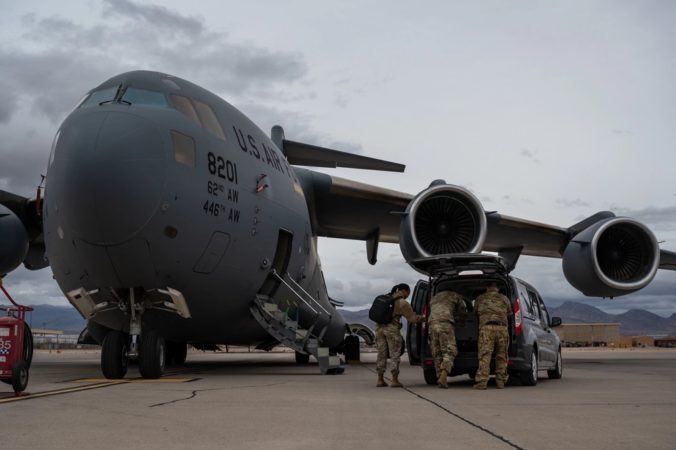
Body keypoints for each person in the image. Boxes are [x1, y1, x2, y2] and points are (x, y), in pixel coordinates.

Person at [375, 283, 423, 388]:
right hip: (392, 330)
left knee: (381, 354)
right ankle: (395, 380)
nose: (407, 296)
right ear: (405, 291)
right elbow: (413, 319)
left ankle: (380, 379)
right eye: (408, 293)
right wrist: (424, 317)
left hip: (379, 329)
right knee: (394, 354)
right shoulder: (402, 303)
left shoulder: (386, 298)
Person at [473, 283, 513, 390]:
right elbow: (510, 313)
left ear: (487, 288)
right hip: (502, 328)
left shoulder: (480, 298)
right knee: (502, 355)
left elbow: (475, 312)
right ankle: (500, 382)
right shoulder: (504, 298)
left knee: (485, 355)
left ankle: (482, 382)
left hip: (487, 328)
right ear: (497, 289)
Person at [427, 288, 466, 388]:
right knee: (450, 350)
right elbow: (462, 310)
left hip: (432, 324)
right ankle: (444, 375)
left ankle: (439, 377)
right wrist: (462, 321)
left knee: (437, 351)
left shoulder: (434, 298)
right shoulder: (455, 295)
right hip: (445, 323)